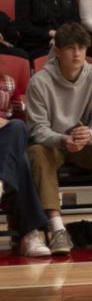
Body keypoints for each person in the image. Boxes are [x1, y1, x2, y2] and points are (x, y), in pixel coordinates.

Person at [25, 22, 92, 254]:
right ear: (57, 51)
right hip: (54, 145)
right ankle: (57, 230)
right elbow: (37, 129)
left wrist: (89, 135)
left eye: (82, 48)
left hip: (85, 145)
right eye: (71, 48)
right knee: (35, 152)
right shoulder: (39, 82)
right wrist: (63, 140)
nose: (77, 54)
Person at [0, 60, 52, 257]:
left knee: (18, 130)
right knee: (19, 160)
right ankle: (29, 234)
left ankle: (1, 183)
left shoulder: (7, 82)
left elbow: (21, 119)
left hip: (4, 144)